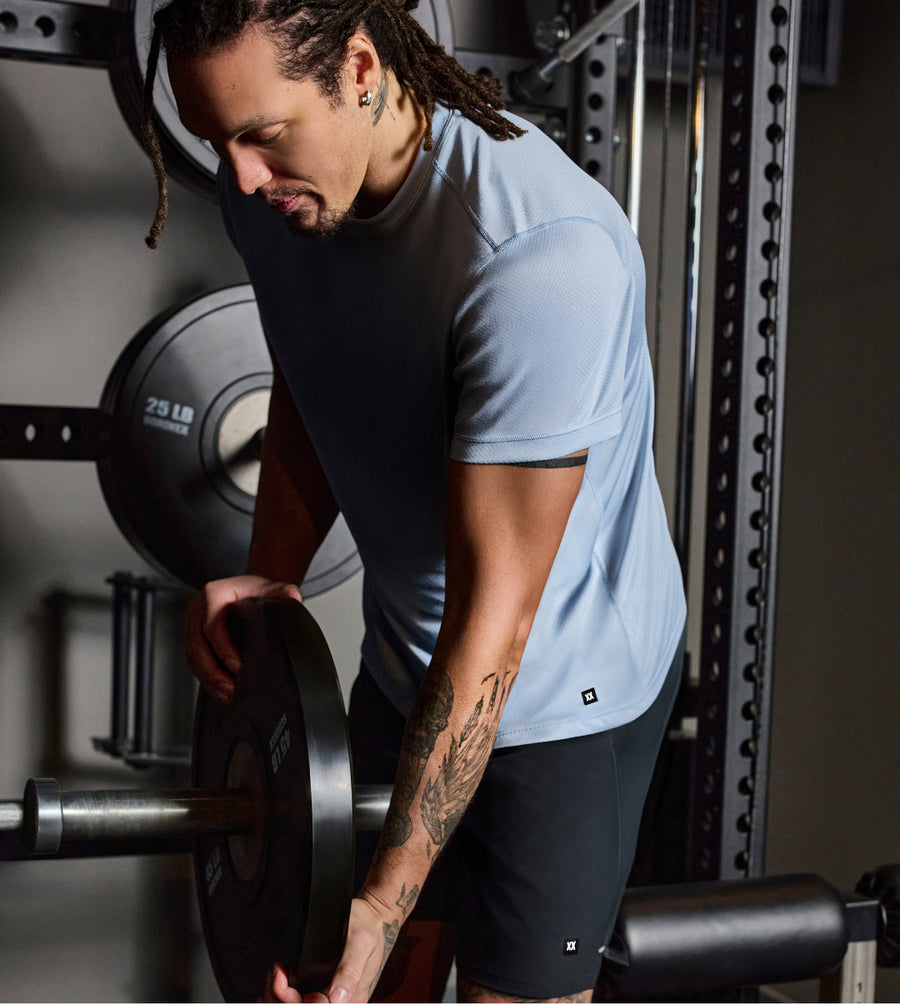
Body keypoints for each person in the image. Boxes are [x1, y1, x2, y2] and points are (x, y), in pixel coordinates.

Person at [150, 1, 686, 1000]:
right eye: (212, 139)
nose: (237, 177)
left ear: (360, 68)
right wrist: (273, 575)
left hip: (560, 689)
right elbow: (313, 370)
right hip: (409, 660)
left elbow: (498, 626)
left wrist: (385, 906)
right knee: (365, 983)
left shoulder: (538, 259)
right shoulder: (271, 187)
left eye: (262, 136)